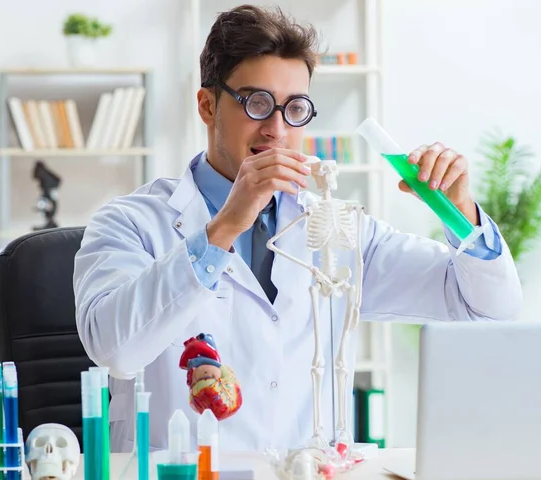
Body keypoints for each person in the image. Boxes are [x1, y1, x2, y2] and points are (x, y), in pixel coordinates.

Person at [73, 4, 522, 453]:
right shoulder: (130, 222)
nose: (277, 129)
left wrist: (458, 211)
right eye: (257, 103)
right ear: (208, 106)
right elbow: (114, 349)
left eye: (295, 109)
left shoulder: (336, 228)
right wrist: (228, 223)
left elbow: (487, 307)